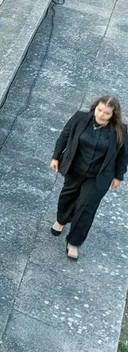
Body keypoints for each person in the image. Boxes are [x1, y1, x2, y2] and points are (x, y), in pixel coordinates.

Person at [51, 96, 125, 261]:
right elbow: (64, 136)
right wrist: (55, 157)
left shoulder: (121, 130)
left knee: (86, 208)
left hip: (98, 177)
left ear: (113, 115)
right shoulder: (80, 118)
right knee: (67, 197)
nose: (101, 115)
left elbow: (123, 156)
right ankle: (62, 220)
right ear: (94, 107)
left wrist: (119, 176)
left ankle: (73, 242)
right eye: (99, 110)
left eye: (106, 113)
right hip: (75, 169)